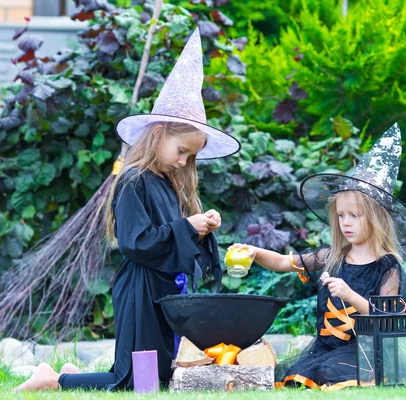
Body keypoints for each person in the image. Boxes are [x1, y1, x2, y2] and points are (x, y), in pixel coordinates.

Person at [13, 28, 240, 392]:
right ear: (159, 134)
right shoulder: (134, 181)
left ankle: (68, 372)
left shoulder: (165, 182)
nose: (184, 162)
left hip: (162, 291)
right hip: (141, 291)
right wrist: (186, 228)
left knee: (159, 377)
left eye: (190, 157)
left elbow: (171, 237)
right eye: (181, 151)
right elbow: (136, 243)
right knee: (135, 381)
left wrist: (199, 228)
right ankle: (53, 380)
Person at [229, 123, 406, 391]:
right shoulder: (333, 256)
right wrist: (255, 252)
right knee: (307, 371)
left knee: (332, 371)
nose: (346, 223)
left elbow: (385, 320)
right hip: (325, 348)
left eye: (355, 216)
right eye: (341, 216)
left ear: (376, 220)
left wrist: (351, 295)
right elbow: (285, 263)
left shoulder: (387, 267)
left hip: (364, 351)